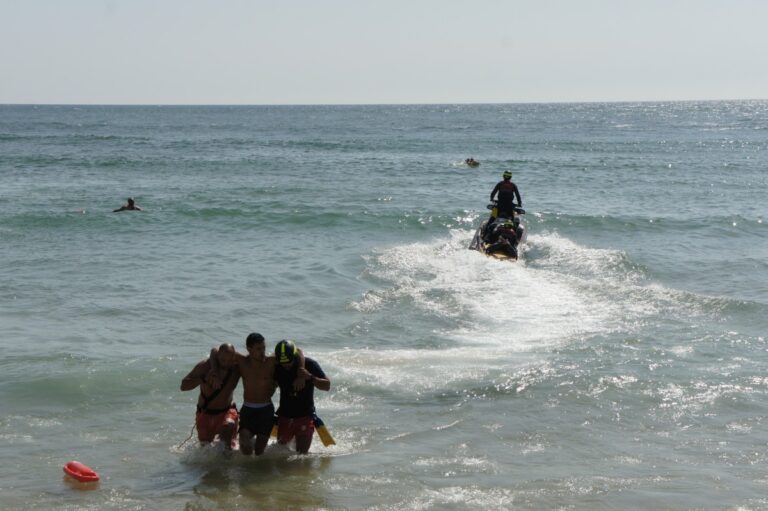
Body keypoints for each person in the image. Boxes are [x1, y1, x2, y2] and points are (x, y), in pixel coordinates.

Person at [208, 333, 306, 456]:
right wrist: (214, 370)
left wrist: (301, 372)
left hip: (266, 410)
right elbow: (215, 350)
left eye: (264, 348)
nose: (262, 352)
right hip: (248, 409)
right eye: (258, 349)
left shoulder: (271, 361)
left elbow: (298, 351)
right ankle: (245, 466)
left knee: (259, 451)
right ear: (249, 349)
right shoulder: (241, 361)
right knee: (244, 444)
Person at [273, 340, 331, 454]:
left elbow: (327, 386)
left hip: (305, 416)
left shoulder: (309, 364)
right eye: (283, 363)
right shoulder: (276, 366)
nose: (286, 366)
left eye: (289, 362)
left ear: (295, 356)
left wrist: (310, 377)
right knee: (281, 455)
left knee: (301, 456)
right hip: (285, 416)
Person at [180, 343, 240, 449]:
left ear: (234, 357)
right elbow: (183, 386)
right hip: (205, 412)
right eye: (223, 360)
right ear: (218, 357)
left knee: (227, 439)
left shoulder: (236, 367)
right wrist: (204, 379)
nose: (226, 364)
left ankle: (228, 458)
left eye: (229, 360)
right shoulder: (205, 366)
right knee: (205, 447)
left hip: (227, 411)